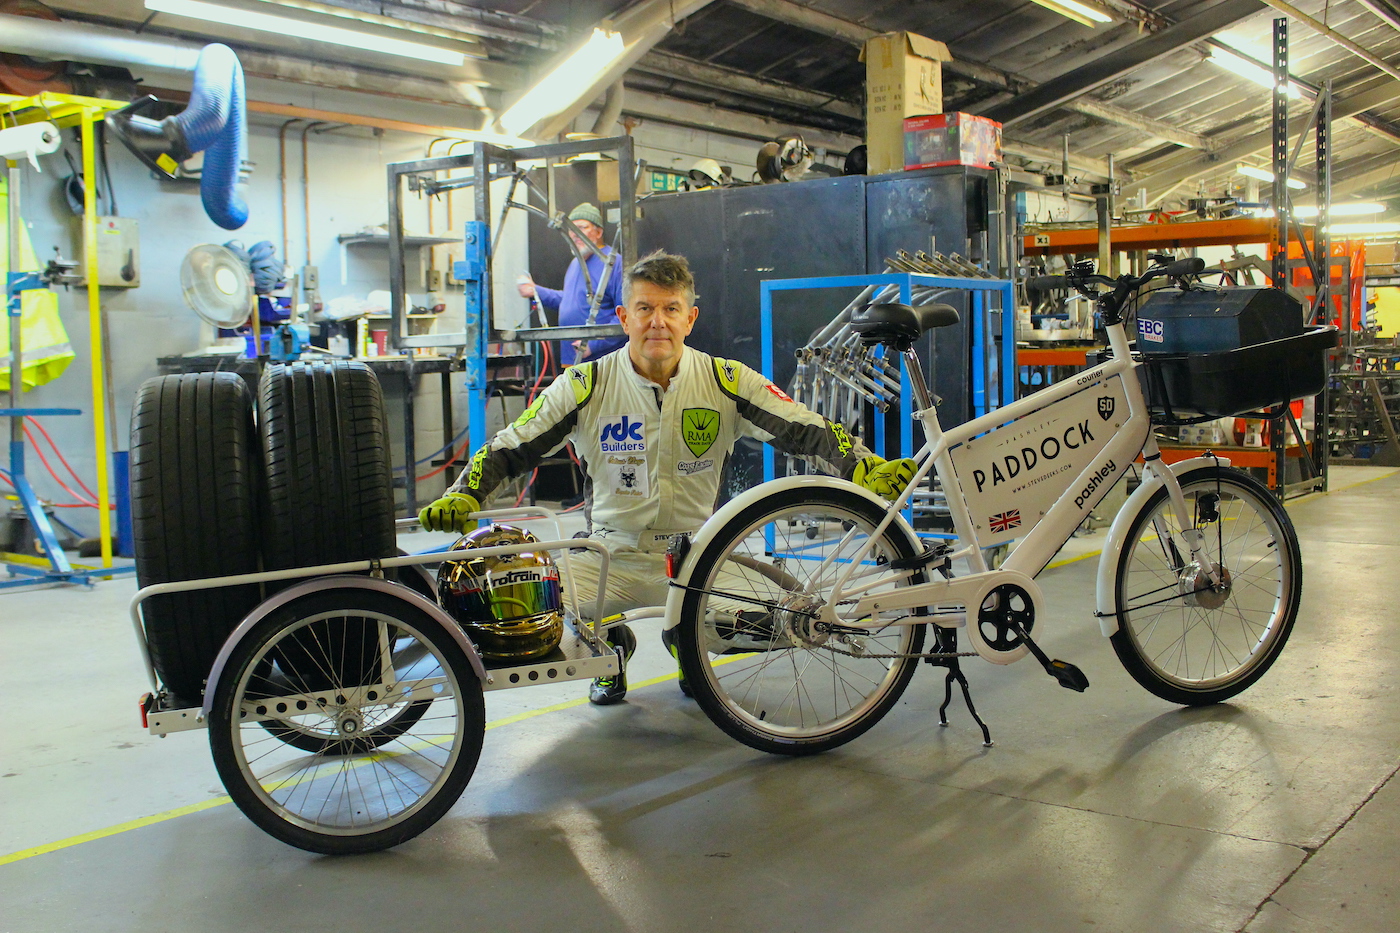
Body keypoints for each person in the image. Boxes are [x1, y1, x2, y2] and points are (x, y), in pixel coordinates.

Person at [421, 251, 918, 705]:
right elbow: (512, 444)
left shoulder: (727, 380)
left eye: (671, 309)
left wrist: (863, 465)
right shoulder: (585, 384)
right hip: (608, 556)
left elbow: (806, 429)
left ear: (690, 318)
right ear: (624, 316)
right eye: (644, 309)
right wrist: (465, 491)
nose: (657, 321)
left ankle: (689, 646)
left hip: (698, 558)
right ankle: (612, 652)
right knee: (517, 616)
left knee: (792, 621)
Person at [516, 202, 625, 366]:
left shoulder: (613, 264)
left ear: (599, 232)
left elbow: (626, 314)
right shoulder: (576, 263)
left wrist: (593, 344)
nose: (574, 235)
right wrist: (535, 291)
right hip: (573, 360)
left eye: (581, 228)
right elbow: (570, 301)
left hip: (602, 362)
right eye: (571, 229)